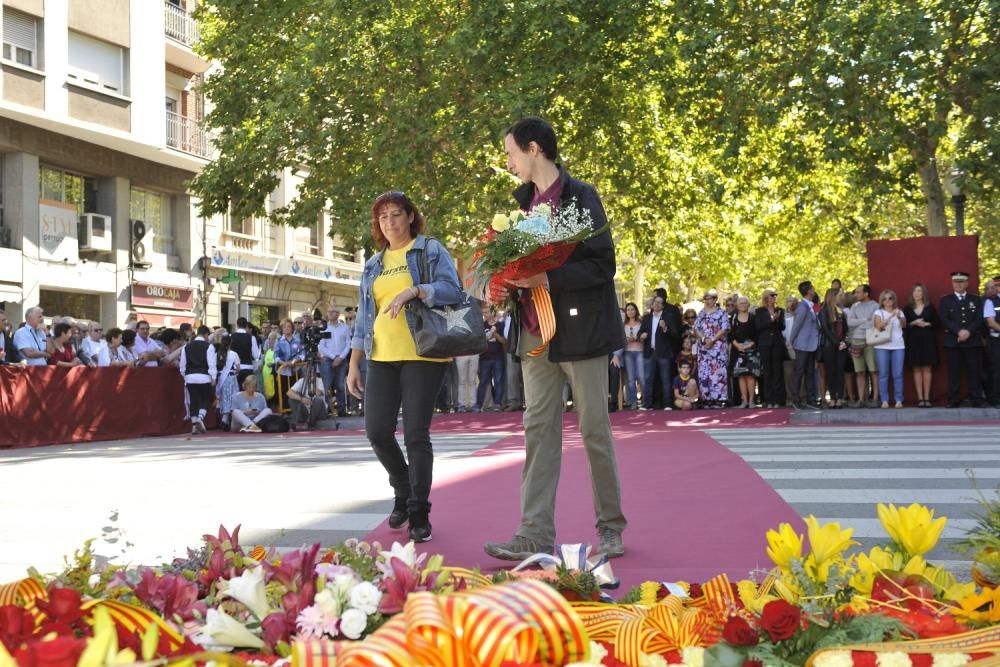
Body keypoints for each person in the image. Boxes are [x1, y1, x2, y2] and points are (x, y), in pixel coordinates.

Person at [483, 117, 627, 561]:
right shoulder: (520, 210)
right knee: (537, 432)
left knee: (594, 432)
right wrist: (506, 284)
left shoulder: (582, 197)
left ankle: (610, 527)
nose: (507, 163)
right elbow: (515, 269)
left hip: (581, 332)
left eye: (510, 154)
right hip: (533, 335)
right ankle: (533, 533)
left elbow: (604, 266)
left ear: (533, 149)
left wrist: (547, 274)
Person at [346, 190, 464, 544]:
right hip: (381, 356)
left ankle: (418, 510)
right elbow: (364, 320)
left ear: (410, 216)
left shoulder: (429, 250)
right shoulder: (373, 264)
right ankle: (403, 489)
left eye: (396, 214)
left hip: (423, 354)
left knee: (415, 435)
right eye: (383, 217)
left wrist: (415, 290)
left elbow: (452, 289)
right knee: (377, 431)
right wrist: (354, 364)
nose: (390, 222)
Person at [940, 271, 986, 407]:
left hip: (972, 341)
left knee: (974, 371)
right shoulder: (945, 300)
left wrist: (968, 332)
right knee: (954, 372)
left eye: (961, 282)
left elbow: (979, 319)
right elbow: (944, 319)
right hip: (953, 341)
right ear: (952, 283)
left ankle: (976, 399)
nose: (958, 284)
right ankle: (954, 399)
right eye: (955, 282)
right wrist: (959, 331)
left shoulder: (976, 299)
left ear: (966, 283)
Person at [639, 294, 679, 410]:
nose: (656, 304)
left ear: (663, 306)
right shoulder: (646, 318)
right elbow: (640, 332)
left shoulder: (668, 317)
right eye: (655, 302)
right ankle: (647, 404)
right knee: (648, 379)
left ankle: (667, 404)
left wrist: (665, 328)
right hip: (649, 352)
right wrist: (641, 335)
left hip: (664, 353)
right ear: (652, 304)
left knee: (665, 379)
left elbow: (675, 334)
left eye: (659, 303)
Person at [903, 283, 940, 407]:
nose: (917, 293)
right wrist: (913, 323)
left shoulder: (930, 307)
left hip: (928, 340)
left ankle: (927, 398)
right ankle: (920, 399)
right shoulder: (907, 308)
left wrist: (928, 324)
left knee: (927, 369)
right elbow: (903, 325)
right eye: (915, 291)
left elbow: (937, 323)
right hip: (913, 341)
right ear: (912, 294)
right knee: (916, 369)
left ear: (923, 293)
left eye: (919, 291)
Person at [694, 289, 730, 408]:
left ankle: (719, 398)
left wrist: (713, 339)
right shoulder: (701, 313)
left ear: (715, 299)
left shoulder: (722, 313)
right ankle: (706, 398)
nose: (707, 301)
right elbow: (696, 328)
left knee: (718, 372)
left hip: (718, 348)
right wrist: (704, 339)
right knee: (704, 372)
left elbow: (724, 328)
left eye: (709, 298)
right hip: (704, 348)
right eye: (705, 298)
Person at [788, 281, 820, 410]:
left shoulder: (812, 306)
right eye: (812, 288)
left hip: (812, 344)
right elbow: (797, 325)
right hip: (802, 344)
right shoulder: (802, 307)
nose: (814, 289)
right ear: (808, 291)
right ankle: (796, 399)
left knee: (810, 372)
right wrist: (790, 341)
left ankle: (811, 399)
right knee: (799, 371)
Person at [872, 289, 907, 408]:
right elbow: (878, 326)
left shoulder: (899, 312)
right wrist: (891, 316)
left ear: (894, 300)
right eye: (885, 299)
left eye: (890, 298)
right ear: (881, 301)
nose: (888, 301)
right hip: (882, 346)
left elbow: (904, 325)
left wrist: (899, 317)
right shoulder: (878, 312)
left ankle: (898, 400)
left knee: (898, 374)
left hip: (898, 345)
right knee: (883, 374)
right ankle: (885, 400)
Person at [847, 285, 880, 407]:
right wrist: (864, 319)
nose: (856, 295)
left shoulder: (875, 306)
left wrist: (859, 321)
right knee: (859, 371)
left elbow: (873, 323)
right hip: (856, 340)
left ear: (866, 294)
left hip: (870, 340)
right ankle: (861, 400)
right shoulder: (854, 306)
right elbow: (850, 323)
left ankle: (875, 399)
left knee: (873, 371)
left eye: (858, 292)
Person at [180, 325, 217, 434]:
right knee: (206, 398)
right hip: (204, 376)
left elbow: (182, 365)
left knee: (194, 401)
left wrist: (185, 376)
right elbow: (211, 364)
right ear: (206, 334)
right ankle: (200, 418)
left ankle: (194, 425)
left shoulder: (186, 347)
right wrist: (213, 377)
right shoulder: (209, 346)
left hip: (190, 377)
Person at [754, 288, 786, 408]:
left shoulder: (780, 310)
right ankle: (768, 399)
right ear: (766, 297)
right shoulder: (760, 311)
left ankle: (778, 399)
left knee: (777, 371)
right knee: (767, 372)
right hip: (765, 344)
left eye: (775, 295)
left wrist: (777, 320)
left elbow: (782, 327)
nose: (774, 297)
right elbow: (759, 326)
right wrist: (771, 320)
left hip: (777, 343)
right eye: (772, 295)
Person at [319, 306, 352, 417]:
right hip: (328, 358)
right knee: (327, 385)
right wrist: (334, 357)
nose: (330, 313)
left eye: (333, 312)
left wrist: (341, 358)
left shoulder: (345, 328)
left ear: (338, 314)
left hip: (341, 359)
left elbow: (348, 344)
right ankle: (328, 409)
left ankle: (341, 409)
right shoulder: (323, 328)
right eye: (329, 312)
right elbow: (321, 346)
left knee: (340, 385)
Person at [818, 288, 848, 408]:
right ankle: (833, 398)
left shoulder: (840, 311)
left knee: (840, 371)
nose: (842, 297)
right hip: (829, 346)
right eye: (840, 295)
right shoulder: (824, 311)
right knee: (830, 372)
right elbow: (825, 330)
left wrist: (845, 342)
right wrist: (837, 342)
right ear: (833, 296)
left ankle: (839, 396)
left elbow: (846, 329)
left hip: (841, 346)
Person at [730, 295, 759, 408]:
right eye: (741, 303)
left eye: (745, 303)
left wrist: (750, 344)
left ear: (748, 305)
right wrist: (736, 344)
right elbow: (730, 334)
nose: (743, 305)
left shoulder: (753, 318)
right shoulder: (733, 318)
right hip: (737, 350)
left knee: (751, 376)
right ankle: (744, 401)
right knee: (741, 376)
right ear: (737, 305)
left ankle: (752, 401)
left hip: (751, 351)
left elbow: (757, 334)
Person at [476, 305, 506, 411]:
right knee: (483, 382)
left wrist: (495, 333)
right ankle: (478, 405)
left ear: (493, 313)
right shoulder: (481, 325)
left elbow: (503, 341)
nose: (485, 315)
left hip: (498, 358)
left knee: (498, 381)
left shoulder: (500, 325)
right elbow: (478, 342)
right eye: (483, 313)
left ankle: (497, 403)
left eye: (487, 312)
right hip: (484, 358)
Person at [622, 302, 645, 409]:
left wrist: (637, 338)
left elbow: (645, 336)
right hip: (628, 352)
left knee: (641, 377)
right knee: (630, 379)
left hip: (640, 351)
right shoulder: (623, 325)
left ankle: (645, 400)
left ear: (636, 311)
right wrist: (625, 339)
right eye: (628, 310)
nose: (630, 312)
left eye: (632, 309)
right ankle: (633, 401)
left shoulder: (641, 323)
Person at [215, 334, 241, 430]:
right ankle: (228, 420)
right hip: (231, 378)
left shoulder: (217, 354)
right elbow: (238, 369)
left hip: (221, 379)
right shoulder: (234, 354)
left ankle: (224, 418)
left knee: (224, 398)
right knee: (232, 398)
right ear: (230, 343)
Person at [231, 317, 261, 389]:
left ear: (237, 325)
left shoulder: (231, 336)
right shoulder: (251, 337)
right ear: (246, 326)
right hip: (248, 367)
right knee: (247, 391)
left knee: (236, 391)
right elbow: (256, 355)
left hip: (235, 368)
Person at [984, 278, 1000, 407]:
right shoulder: (990, 302)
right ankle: (995, 399)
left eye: (995, 286)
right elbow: (991, 322)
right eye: (989, 287)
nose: (993, 289)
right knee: (996, 370)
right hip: (995, 340)